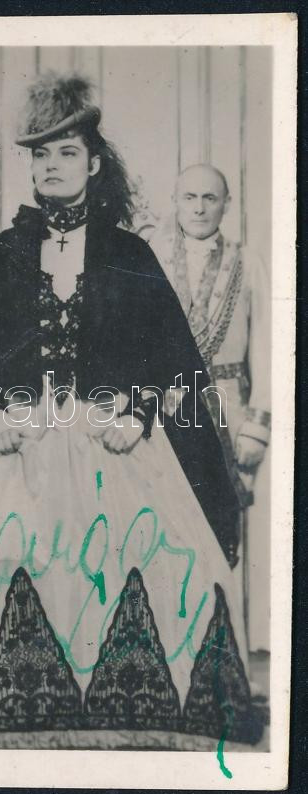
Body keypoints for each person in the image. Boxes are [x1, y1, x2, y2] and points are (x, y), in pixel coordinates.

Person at [0, 76, 262, 749]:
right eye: (41, 155)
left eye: (67, 153)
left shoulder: (129, 253)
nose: (52, 165)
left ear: (94, 163)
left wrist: (139, 413)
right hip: (9, 441)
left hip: (112, 438)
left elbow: (167, 353)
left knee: (146, 558)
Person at [149, 165, 271, 648]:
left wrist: (258, 425)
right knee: (166, 528)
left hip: (227, 412)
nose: (199, 208)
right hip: (167, 411)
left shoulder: (247, 261)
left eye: (210, 198)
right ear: (175, 201)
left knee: (223, 526)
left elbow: (267, 345)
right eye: (189, 197)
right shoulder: (152, 257)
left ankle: (225, 646)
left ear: (226, 204)